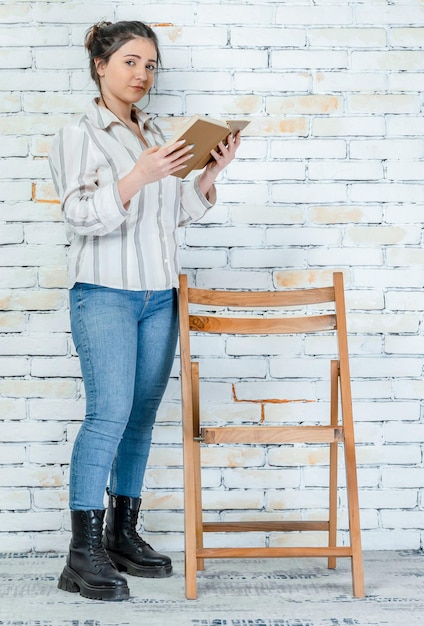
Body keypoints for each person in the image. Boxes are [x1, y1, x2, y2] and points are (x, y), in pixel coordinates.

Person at [49, 20, 240, 601]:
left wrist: (209, 175)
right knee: (107, 416)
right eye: (130, 61)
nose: (142, 74)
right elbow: (79, 216)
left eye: (150, 65)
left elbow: (170, 213)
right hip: (104, 293)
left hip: (160, 295)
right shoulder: (79, 133)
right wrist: (137, 175)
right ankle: (82, 555)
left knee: (139, 419)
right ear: (101, 66)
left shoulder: (154, 131)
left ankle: (121, 536)